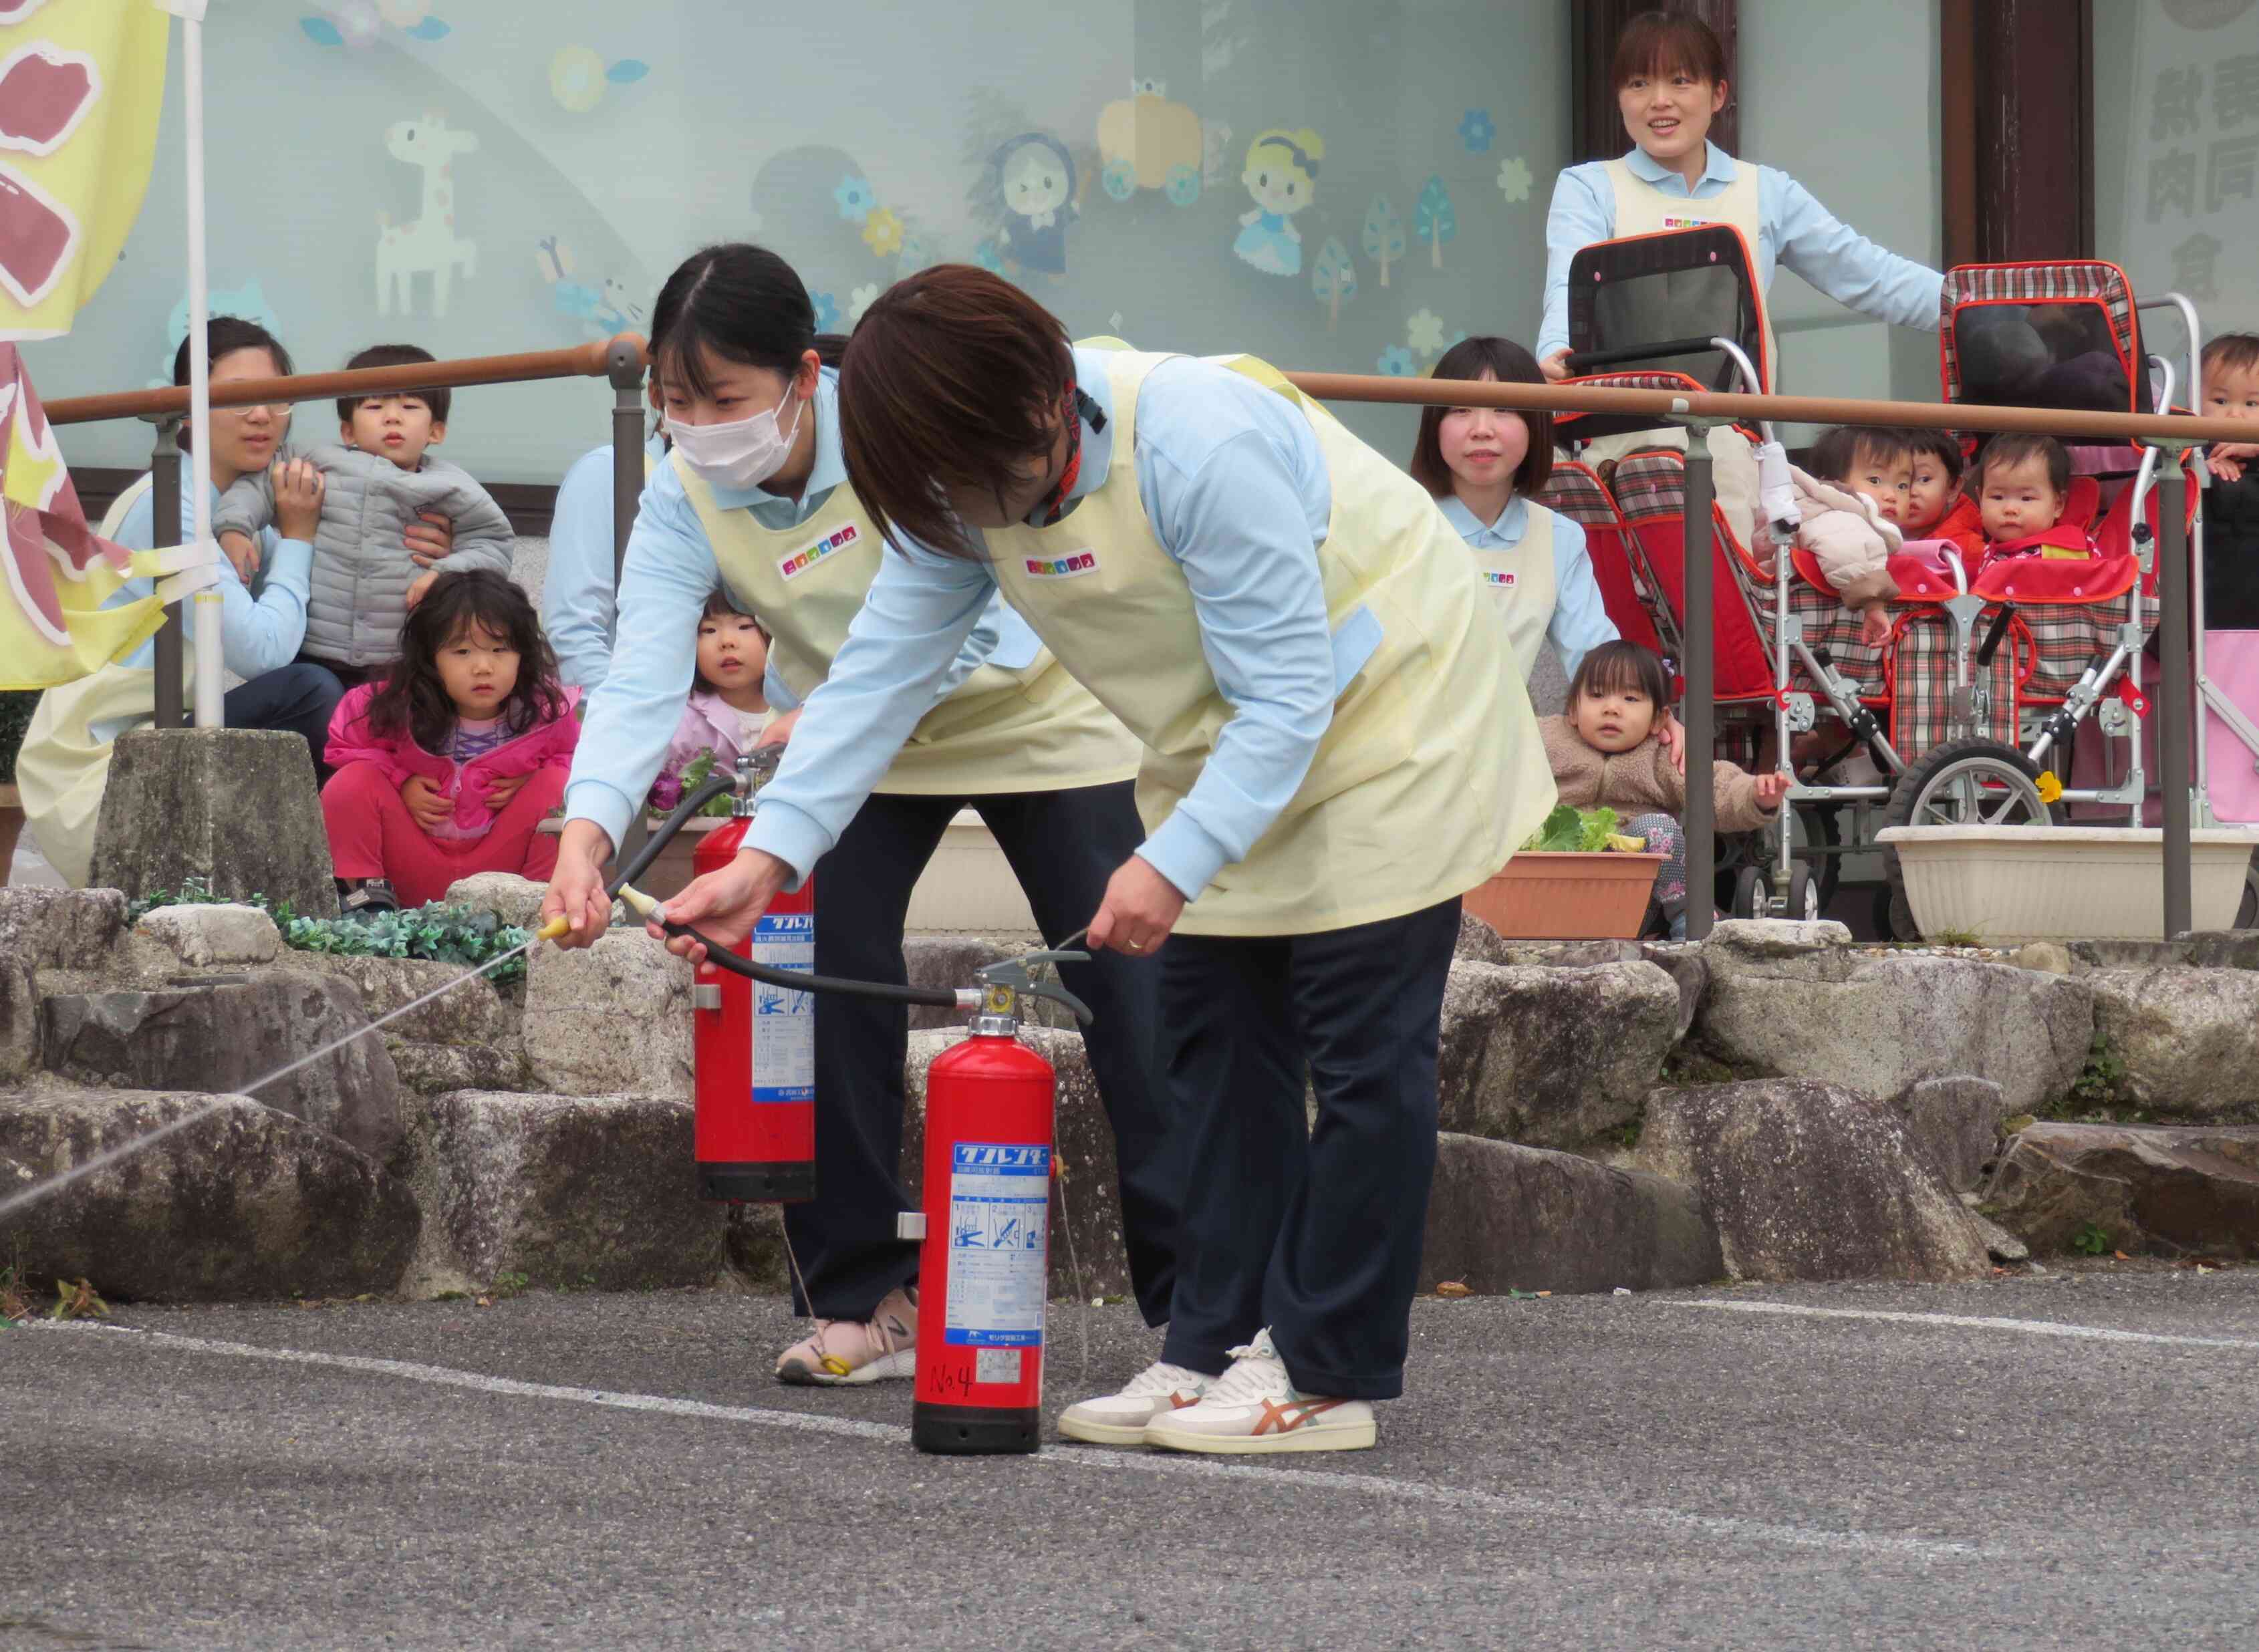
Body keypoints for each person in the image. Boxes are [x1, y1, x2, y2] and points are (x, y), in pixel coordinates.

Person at [647, 265, 1554, 1455]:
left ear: (1038, 411)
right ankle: (1211, 1344)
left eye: (972, 485)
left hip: (1394, 713)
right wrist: (769, 859)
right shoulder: (953, 480)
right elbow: (877, 673)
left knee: (1361, 1047)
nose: (967, 515)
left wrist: (1169, 863)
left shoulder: (1196, 441)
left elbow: (1291, 691)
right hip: (1226, 734)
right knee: (1217, 1045)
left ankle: (1327, 1367)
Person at [539, 244, 1177, 1391]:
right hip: (847, 755)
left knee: (1134, 994)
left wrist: (826, 711)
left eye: (723, 400)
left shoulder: (898, 434)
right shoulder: (682, 487)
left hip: (1036, 722)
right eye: (675, 404)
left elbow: (981, 624)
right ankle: (862, 1295)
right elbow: (640, 676)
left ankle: (1198, 1305)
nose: (698, 427)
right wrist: (586, 831)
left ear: (803, 376)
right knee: (820, 989)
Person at [15, 319, 385, 886]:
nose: (260, 415)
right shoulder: (171, 503)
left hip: (168, 733)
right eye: (236, 397)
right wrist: (302, 537)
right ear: (188, 410)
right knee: (312, 693)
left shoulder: (242, 503)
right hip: (107, 768)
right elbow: (263, 652)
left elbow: (323, 610)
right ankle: (332, 881)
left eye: (275, 397)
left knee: (359, 681)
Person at [1536, 11, 1942, 384]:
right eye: (1639, 83)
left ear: (1718, 95)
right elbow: (1567, 289)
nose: (1659, 100)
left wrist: (1980, 304)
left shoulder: (1766, 191)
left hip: (1739, 443)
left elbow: (1870, 275)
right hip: (1619, 444)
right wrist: (1556, 350)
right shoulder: (1589, 187)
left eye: (1680, 81)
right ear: (1620, 98)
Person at [215, 343, 515, 688]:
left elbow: (493, 542)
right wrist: (235, 529)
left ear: (436, 431)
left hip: (402, 657)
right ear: (348, 430)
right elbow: (258, 485)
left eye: (410, 406)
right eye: (374, 406)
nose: (392, 416)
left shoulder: (451, 487)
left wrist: (446, 572)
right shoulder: (316, 460)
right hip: (311, 649)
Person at [320, 569, 578, 912]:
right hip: (411, 862)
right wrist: (401, 783)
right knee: (352, 782)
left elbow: (576, 759)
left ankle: (537, 907)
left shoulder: (546, 714)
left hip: (502, 876)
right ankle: (366, 905)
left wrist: (532, 780)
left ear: (523, 656)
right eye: (461, 652)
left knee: (561, 787)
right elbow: (343, 748)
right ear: (430, 658)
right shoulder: (392, 705)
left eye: (500, 649)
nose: (483, 667)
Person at [1410, 335, 1617, 712]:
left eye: (1504, 409)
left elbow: (1595, 662)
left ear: (1536, 423)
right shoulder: (1403, 523)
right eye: (1460, 409)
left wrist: (1647, 710)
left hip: (1502, 751)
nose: (1482, 429)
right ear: (1434, 424)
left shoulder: (1559, 539)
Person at [1541, 640, 1786, 938]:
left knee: (1659, 828)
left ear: (1659, 719)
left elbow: (1713, 788)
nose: (1611, 709)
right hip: (1553, 883)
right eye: (1596, 695)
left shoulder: (1663, 753)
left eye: (1630, 699)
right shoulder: (1548, 740)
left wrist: (1754, 796)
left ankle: (1689, 919)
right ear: (1573, 711)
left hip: (1633, 898)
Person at [541, 434, 664, 693]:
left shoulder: (749, 485)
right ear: (658, 396)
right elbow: (574, 632)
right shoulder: (610, 471)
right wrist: (622, 719)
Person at [648, 587, 775, 813]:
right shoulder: (681, 720)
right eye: (709, 630)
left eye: (744, 626)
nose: (727, 641)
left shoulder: (798, 708)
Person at [1782, 426, 1911, 647]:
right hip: (1813, 633)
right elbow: (1847, 553)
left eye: (1902, 485)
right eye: (1875, 480)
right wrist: (1873, 605)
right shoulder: (1836, 515)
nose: (1892, 496)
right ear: (1835, 483)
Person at [1970, 434, 2087, 564]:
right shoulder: (1981, 553)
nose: (2010, 509)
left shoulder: (2067, 553)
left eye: (2026, 498)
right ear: (1980, 500)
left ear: (2057, 505)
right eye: (1997, 497)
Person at [1905, 428, 1983, 560]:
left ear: (1953, 489)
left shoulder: (1969, 551)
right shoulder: (1866, 537)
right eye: (1901, 482)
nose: (1910, 492)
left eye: (1924, 479)